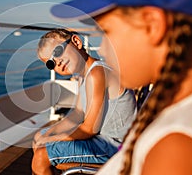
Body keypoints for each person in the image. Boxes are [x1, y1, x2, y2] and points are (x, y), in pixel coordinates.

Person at [50, 0, 192, 174]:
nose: (101, 48)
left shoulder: (175, 147)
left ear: (152, 25)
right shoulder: (168, 107)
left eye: (106, 32)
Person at [31, 28, 137, 175]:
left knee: (42, 156)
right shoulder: (85, 75)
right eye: (51, 64)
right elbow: (78, 114)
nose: (57, 63)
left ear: (76, 42)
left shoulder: (97, 73)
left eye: (57, 52)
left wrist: (52, 139)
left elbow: (89, 129)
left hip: (115, 146)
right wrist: (48, 133)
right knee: (39, 138)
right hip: (103, 140)